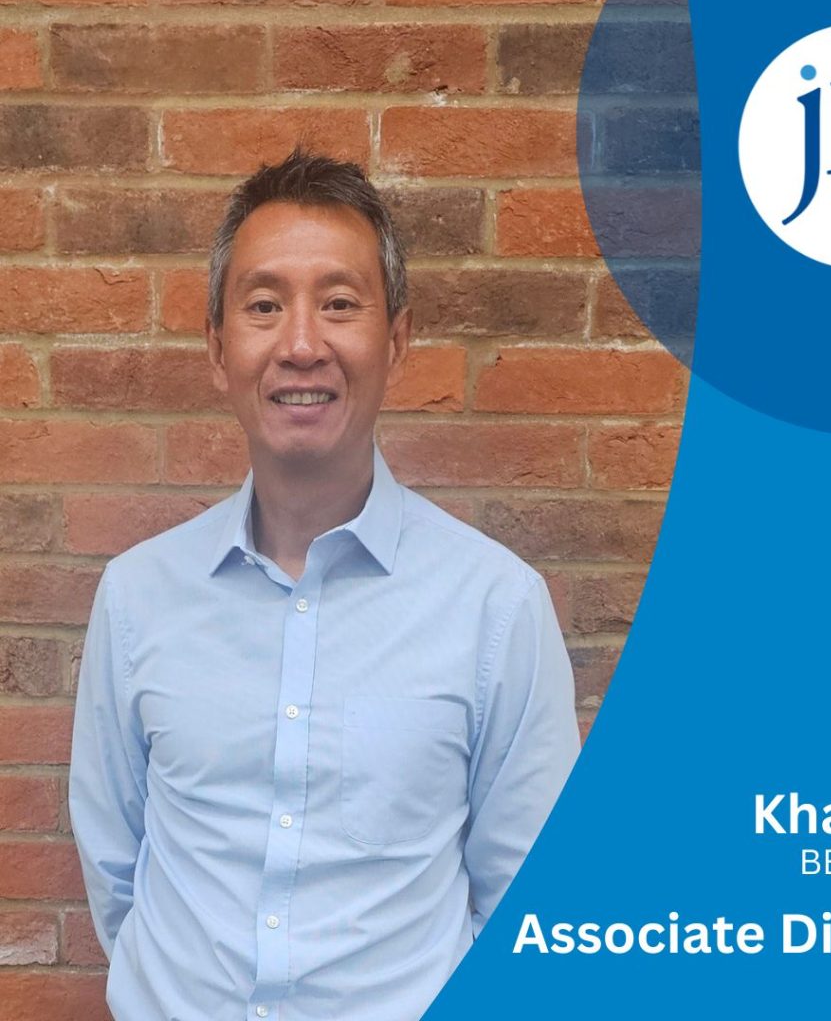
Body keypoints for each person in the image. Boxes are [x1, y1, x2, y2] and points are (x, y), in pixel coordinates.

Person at [69, 148, 580, 1021]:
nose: (301, 345)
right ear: (218, 348)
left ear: (398, 341)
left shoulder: (496, 607)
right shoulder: (137, 597)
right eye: (264, 306)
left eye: (339, 304)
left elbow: (526, 904)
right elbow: (118, 874)